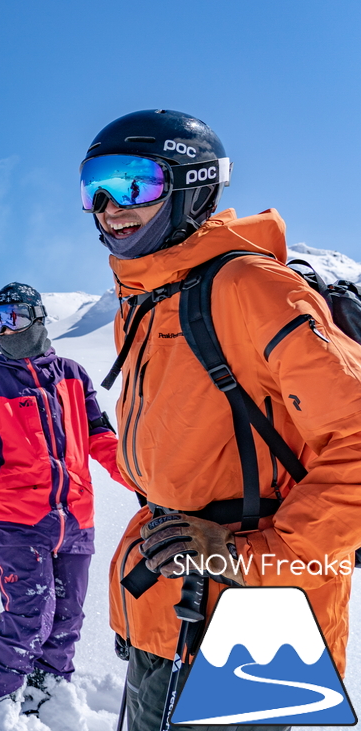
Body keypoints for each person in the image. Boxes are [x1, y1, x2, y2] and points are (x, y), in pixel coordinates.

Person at [81, 109, 361, 730]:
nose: (107, 204)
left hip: (255, 624)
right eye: (93, 185)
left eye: (133, 183)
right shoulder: (151, 294)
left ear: (192, 184)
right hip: (168, 598)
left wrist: (249, 556)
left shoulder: (248, 288)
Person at [0, 282, 127, 726]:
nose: (5, 331)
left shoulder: (72, 374)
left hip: (75, 519)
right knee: (31, 615)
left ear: (38, 318)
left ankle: (47, 699)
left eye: (13, 319)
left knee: (67, 618)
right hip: (16, 520)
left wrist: (138, 476)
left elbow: (100, 436)